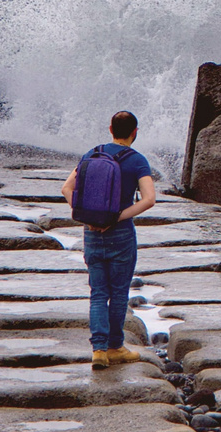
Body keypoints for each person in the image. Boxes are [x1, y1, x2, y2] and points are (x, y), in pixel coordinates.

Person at [60, 110, 157, 368]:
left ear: (110, 129)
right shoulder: (137, 161)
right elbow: (149, 199)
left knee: (98, 293)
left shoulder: (92, 154)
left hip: (91, 232)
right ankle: (115, 347)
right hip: (120, 233)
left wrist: (88, 218)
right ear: (135, 132)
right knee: (119, 293)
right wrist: (117, 217)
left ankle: (98, 351)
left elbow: (66, 188)